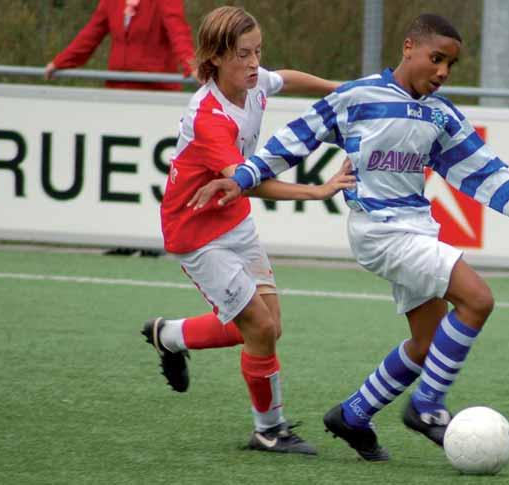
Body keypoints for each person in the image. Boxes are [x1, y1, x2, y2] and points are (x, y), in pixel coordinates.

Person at [189, 13, 509, 462]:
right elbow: (291, 142)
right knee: (478, 300)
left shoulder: (441, 114)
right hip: (380, 231)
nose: (442, 72)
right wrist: (241, 178)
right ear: (409, 47)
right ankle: (427, 407)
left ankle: (354, 414)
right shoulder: (357, 97)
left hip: (417, 228)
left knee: (427, 342)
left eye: (450, 65)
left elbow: (487, 173)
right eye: (436, 59)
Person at [141, 6, 352, 455]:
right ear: (215, 57)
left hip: (232, 220)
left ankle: (170, 335)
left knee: (268, 328)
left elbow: (285, 79)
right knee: (256, 326)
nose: (255, 63)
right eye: (243, 54)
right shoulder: (210, 117)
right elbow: (248, 181)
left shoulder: (252, 84)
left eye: (258, 51)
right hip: (196, 230)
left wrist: (337, 90)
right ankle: (269, 430)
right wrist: (318, 191)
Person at [45, 0, 196, 91]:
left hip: (154, 92)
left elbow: (178, 32)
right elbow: (91, 34)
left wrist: (192, 67)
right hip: (117, 89)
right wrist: (60, 62)